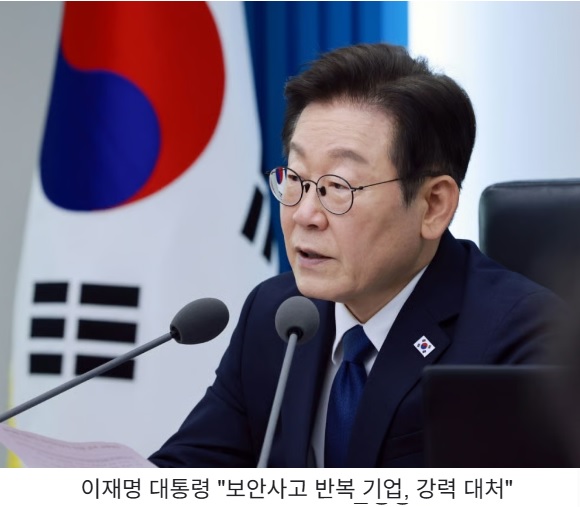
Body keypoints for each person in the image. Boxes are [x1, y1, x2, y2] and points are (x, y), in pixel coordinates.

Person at [149, 43, 563, 467]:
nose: (305, 214)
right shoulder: (275, 315)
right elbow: (189, 469)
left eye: (338, 187)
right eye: (296, 179)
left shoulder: (527, 340)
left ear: (433, 205)